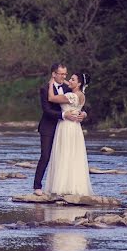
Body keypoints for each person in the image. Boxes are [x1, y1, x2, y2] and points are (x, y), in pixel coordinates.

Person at [33, 63, 84, 195]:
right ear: (54, 74)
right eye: (61, 74)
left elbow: (79, 103)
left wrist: (83, 114)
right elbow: (47, 110)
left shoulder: (69, 87)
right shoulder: (45, 88)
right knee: (45, 156)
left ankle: (63, 186)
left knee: (64, 156)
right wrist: (63, 115)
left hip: (65, 129)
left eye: (65, 74)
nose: (64, 76)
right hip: (48, 126)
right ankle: (37, 186)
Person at [45, 72, 93, 196]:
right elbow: (81, 110)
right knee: (73, 155)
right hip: (75, 128)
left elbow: (51, 98)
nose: (69, 81)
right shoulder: (81, 95)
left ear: (79, 83)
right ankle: (75, 186)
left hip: (66, 126)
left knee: (65, 154)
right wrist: (61, 79)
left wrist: (51, 82)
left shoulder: (71, 96)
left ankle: (63, 187)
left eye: (72, 79)